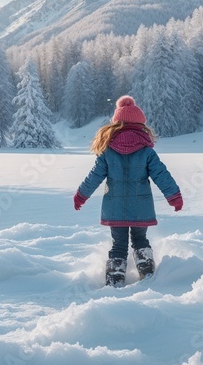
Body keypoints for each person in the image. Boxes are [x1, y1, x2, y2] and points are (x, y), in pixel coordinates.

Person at [74, 96, 183, 287]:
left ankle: (115, 279)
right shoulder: (147, 151)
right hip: (141, 207)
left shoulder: (107, 151)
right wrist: (173, 196)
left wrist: (81, 195)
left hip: (115, 208)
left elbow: (94, 176)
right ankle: (147, 273)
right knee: (140, 239)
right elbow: (161, 175)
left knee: (118, 245)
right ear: (140, 124)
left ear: (116, 124)